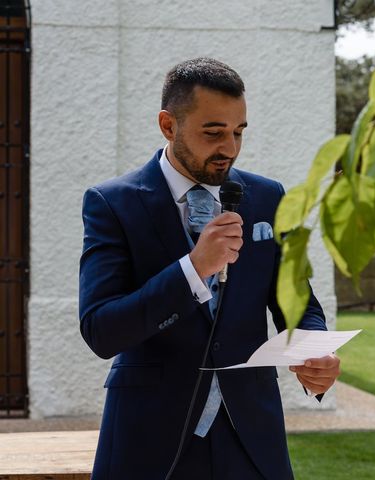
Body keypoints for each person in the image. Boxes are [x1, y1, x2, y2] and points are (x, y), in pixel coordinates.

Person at [79, 57, 341, 480]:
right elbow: (100, 329)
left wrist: (315, 355)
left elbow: (297, 303)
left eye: (238, 132)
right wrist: (192, 268)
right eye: (214, 132)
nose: (230, 149)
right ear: (168, 125)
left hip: (251, 437)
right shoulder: (113, 204)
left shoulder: (269, 197)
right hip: (149, 438)